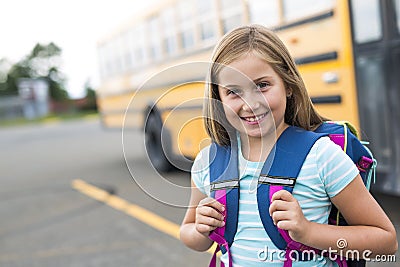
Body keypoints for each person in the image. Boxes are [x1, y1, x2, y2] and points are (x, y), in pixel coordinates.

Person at [180, 24, 397, 266]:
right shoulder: (208, 162)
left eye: (262, 85)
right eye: (233, 92)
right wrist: (200, 229)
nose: (250, 104)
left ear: (289, 85)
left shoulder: (322, 156)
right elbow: (190, 234)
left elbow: (385, 242)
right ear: (218, 98)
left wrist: (309, 232)